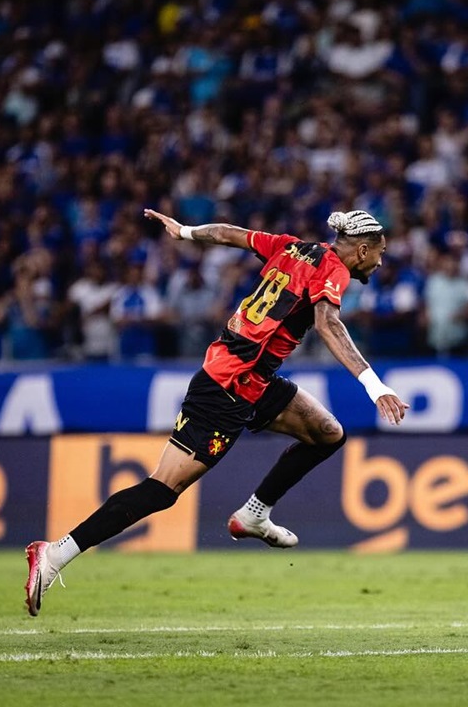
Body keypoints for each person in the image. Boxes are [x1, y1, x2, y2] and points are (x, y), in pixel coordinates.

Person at [23, 209, 409, 616]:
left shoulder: (293, 247)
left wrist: (186, 231)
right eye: (379, 253)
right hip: (228, 384)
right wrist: (375, 385)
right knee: (162, 489)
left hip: (253, 378)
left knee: (327, 433)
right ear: (362, 249)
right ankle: (54, 555)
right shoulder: (333, 269)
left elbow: (229, 233)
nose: (380, 262)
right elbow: (329, 323)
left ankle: (254, 515)